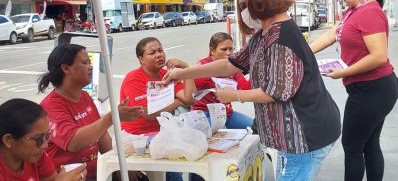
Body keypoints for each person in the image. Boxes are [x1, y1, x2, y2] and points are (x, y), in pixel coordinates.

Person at [163, 0, 341, 181]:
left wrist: (236, 95)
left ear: (261, 2)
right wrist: (183, 73)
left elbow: (276, 92)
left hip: (304, 137)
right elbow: (230, 64)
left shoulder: (282, 38)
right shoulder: (263, 35)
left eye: (244, 5)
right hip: (294, 139)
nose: (243, 12)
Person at [310, 0, 398, 181]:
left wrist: (344, 72)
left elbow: (378, 56)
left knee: (352, 146)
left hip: (373, 89)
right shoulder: (355, 9)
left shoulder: (369, 12)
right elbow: (333, 34)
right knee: (368, 143)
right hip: (370, 88)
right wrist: (305, 51)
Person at [38, 44, 148, 181]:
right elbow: (73, 142)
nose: (91, 67)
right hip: (71, 177)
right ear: (66, 69)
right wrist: (112, 117)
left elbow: (102, 136)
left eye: (90, 62)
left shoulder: (84, 96)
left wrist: (120, 166)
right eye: (85, 63)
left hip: (97, 172)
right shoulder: (51, 106)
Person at [120, 37, 196, 181]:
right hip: (138, 137)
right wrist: (177, 102)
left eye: (160, 50)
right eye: (152, 52)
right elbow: (149, 113)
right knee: (173, 165)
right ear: (141, 59)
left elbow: (190, 98)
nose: (159, 55)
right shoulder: (133, 79)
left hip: (160, 133)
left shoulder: (165, 75)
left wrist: (186, 68)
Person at [0, 98, 87, 181]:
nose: (45, 145)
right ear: (8, 140)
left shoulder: (35, 156)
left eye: (47, 136)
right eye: (39, 138)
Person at [192, 32, 252, 129]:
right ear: (212, 50)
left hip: (226, 113)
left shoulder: (232, 66)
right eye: (224, 49)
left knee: (255, 127)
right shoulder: (201, 66)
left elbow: (244, 88)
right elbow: (195, 84)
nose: (228, 53)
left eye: (230, 49)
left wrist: (255, 70)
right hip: (206, 114)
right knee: (225, 137)